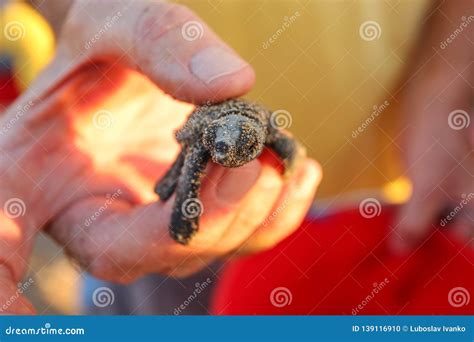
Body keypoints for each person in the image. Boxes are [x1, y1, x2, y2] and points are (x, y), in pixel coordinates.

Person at [0, 0, 471, 314]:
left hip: (384, 171)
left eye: (235, 150)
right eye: (225, 150)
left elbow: (283, 144)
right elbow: (189, 165)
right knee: (177, 204)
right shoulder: (208, 140)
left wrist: (453, 70)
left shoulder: (261, 132)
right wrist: (76, 10)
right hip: (131, 163)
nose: (228, 155)